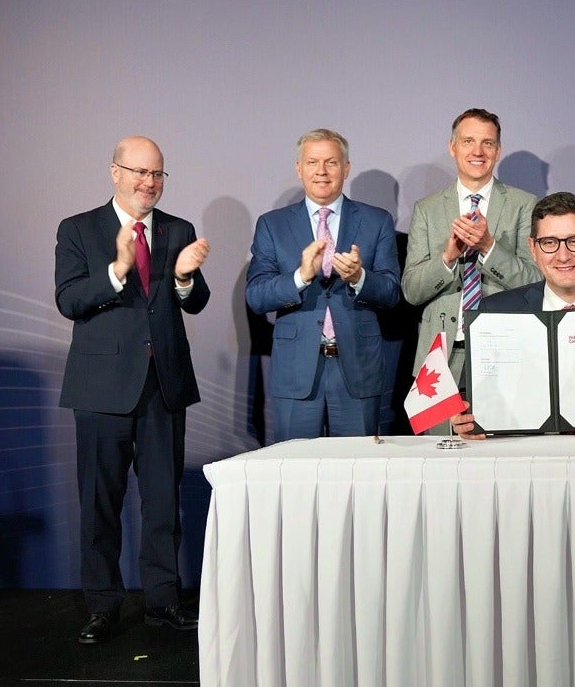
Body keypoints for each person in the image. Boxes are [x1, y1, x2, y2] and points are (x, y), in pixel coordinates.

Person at [56, 137, 210, 644]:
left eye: (159, 174)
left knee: (163, 504)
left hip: (163, 387)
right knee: (100, 504)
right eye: (140, 172)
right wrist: (118, 270)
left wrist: (186, 278)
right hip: (101, 391)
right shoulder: (78, 229)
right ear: (115, 172)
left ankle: (163, 602)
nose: (150, 183)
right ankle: (102, 607)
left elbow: (194, 302)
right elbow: (70, 299)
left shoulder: (177, 229)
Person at [451, 191, 575, 439]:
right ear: (533, 248)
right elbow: (467, 399)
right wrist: (464, 420)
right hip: (520, 466)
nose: (563, 255)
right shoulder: (494, 312)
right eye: (549, 243)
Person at [246, 129, 403, 438]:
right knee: (296, 474)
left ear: (346, 168)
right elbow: (256, 296)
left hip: (357, 368)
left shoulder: (376, 221)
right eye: (312, 162)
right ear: (299, 168)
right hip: (295, 371)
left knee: (358, 474)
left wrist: (360, 278)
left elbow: (391, 293)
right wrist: (300, 277)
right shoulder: (272, 224)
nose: (321, 171)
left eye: (331, 162)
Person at [402, 108, 540, 432]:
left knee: (502, 459)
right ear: (453, 147)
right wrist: (448, 256)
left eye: (487, 143)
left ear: (498, 151)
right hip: (441, 357)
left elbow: (535, 284)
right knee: (436, 462)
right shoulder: (427, 209)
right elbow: (411, 291)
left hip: (504, 354)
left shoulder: (524, 204)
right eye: (468, 141)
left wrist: (489, 248)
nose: (477, 151)